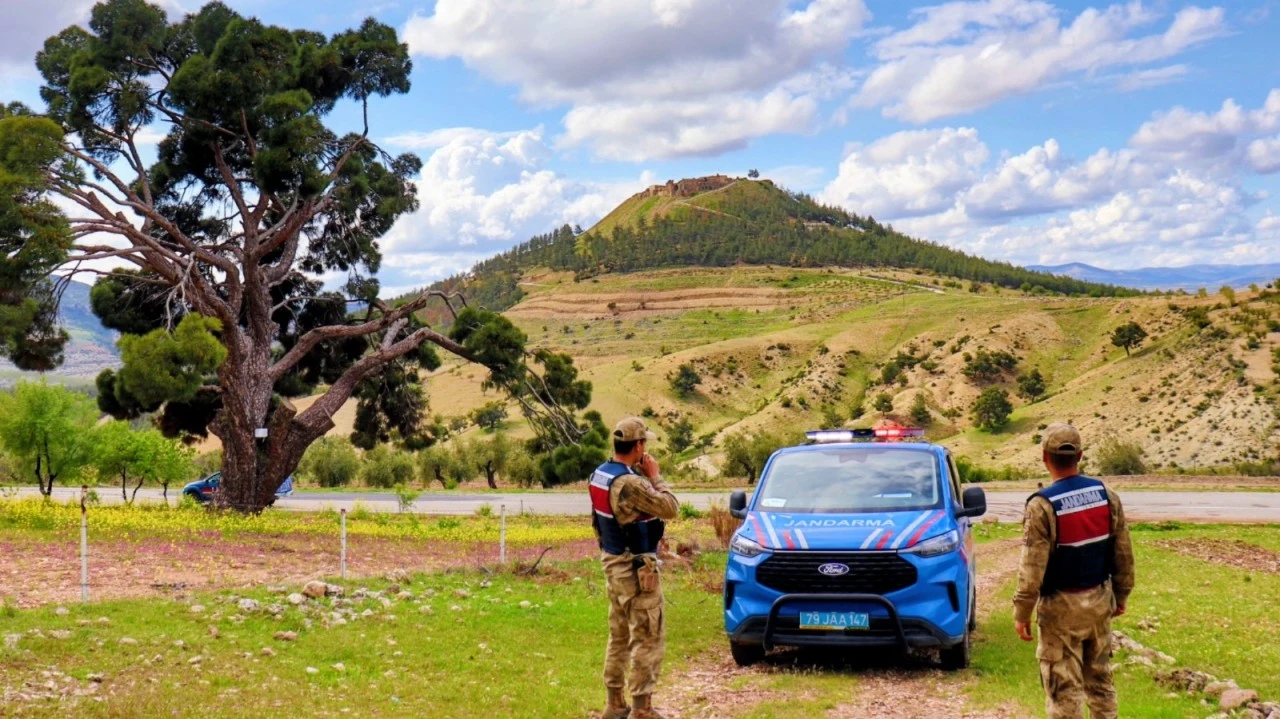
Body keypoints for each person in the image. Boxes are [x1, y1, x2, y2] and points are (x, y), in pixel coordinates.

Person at [1013, 423, 1135, 719]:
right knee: (1102, 685)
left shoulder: (1042, 506)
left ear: (1044, 457)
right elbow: (1123, 554)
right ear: (1080, 455)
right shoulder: (1106, 495)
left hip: (1059, 611)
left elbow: (1032, 569)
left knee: (1063, 692)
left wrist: (1022, 613)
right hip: (1098, 603)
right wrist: (1121, 595)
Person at [590, 417, 679, 719]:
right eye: (645, 444)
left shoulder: (600, 474)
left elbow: (598, 522)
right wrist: (655, 477)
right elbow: (670, 507)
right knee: (647, 636)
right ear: (638, 445)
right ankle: (642, 708)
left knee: (618, 636)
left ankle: (614, 702)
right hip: (636, 571)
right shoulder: (631, 483)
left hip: (613, 563)